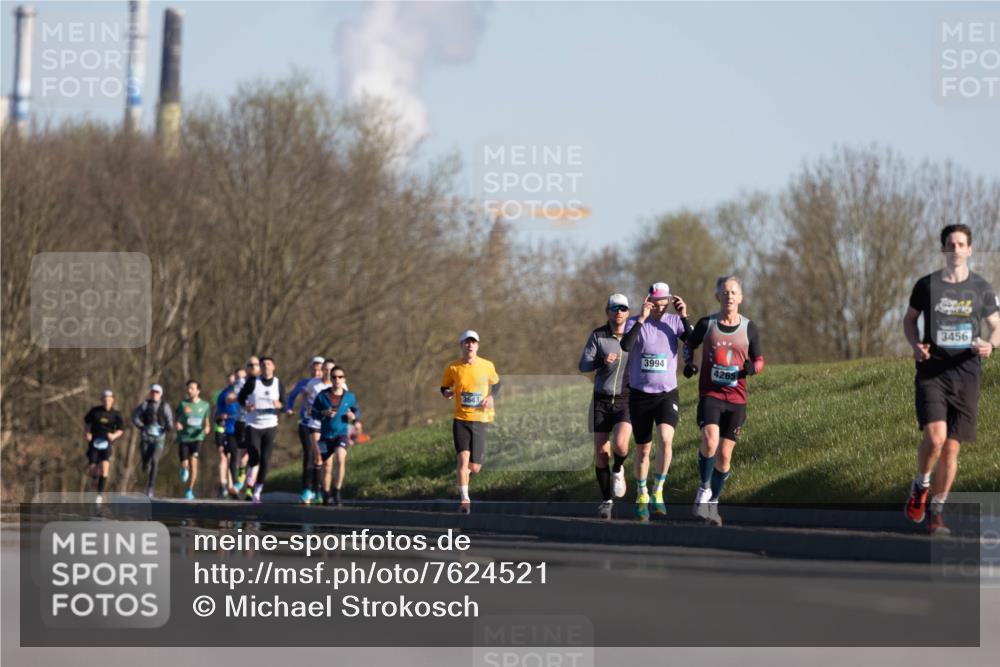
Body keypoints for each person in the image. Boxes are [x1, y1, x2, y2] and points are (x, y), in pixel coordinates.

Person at [903, 224, 999, 535]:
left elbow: (996, 326)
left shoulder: (981, 288)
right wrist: (915, 345)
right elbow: (909, 320)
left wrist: (990, 344)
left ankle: (937, 512)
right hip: (933, 371)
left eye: (961, 244)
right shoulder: (927, 285)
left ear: (969, 250)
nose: (956, 249)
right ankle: (921, 485)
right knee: (935, 439)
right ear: (944, 250)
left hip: (967, 373)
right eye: (950, 244)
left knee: (952, 449)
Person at [683, 276, 764, 526]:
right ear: (718, 297)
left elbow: (759, 360)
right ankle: (704, 487)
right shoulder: (707, 324)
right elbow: (689, 344)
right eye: (725, 292)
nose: (729, 296)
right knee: (710, 440)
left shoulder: (749, 328)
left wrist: (753, 368)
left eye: (733, 292)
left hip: (737, 399)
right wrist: (688, 363)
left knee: (725, 456)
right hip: (711, 394)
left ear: (740, 298)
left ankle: (714, 503)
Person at [619, 283, 692, 522]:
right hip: (640, 394)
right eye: (656, 305)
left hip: (666, 393)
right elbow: (625, 345)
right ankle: (642, 494)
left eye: (664, 305)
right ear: (649, 301)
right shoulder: (636, 322)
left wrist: (684, 316)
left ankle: (658, 490)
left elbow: (692, 341)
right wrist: (641, 318)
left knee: (666, 439)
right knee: (643, 450)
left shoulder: (674, 322)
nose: (660, 310)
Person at [578, 293, 633, 519]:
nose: (619, 312)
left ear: (628, 312)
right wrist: (601, 361)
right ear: (608, 311)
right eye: (614, 308)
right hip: (601, 399)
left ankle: (618, 469)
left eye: (623, 308)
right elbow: (583, 365)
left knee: (620, 445)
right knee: (601, 454)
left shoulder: (634, 335)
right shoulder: (598, 335)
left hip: (625, 399)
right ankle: (606, 500)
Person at [440, 330, 500, 514]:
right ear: (461, 346)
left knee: (474, 467)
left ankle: (464, 475)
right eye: (467, 342)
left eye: (473, 342)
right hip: (461, 419)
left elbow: (497, 383)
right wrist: (447, 393)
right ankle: (465, 499)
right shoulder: (453, 368)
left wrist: (490, 397)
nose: (470, 345)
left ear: (478, 346)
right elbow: (444, 386)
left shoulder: (487, 365)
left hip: (481, 419)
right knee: (463, 459)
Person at [237, 356, 285, 504]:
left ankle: (257, 489)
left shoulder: (278, 383)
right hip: (253, 424)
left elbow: (284, 404)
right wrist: (246, 406)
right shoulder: (253, 382)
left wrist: (280, 405)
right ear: (260, 368)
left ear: (273, 367)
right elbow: (241, 398)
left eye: (268, 364)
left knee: (265, 459)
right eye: (263, 364)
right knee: (254, 456)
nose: (265, 366)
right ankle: (250, 485)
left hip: (270, 425)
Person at [311, 365, 361, 506]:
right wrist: (323, 413)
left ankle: (337, 491)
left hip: (341, 434)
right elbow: (313, 412)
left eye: (340, 377)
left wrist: (353, 416)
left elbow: (357, 412)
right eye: (334, 377)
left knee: (340, 459)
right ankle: (326, 493)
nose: (337, 379)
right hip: (325, 436)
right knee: (326, 466)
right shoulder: (322, 395)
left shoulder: (349, 396)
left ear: (344, 379)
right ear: (330, 379)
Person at [285, 356, 326, 504]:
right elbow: (291, 396)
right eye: (314, 369)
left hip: (324, 425)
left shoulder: (328, 385)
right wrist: (289, 408)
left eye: (319, 369)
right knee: (309, 454)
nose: (316, 372)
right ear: (310, 369)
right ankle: (307, 490)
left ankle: (318, 490)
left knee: (321, 457)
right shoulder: (305, 383)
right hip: (306, 424)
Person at [83, 389, 125, 503]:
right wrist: (88, 433)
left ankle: (99, 495)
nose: (107, 402)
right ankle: (94, 482)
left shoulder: (116, 414)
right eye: (105, 400)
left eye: (109, 400)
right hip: (94, 442)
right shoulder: (95, 411)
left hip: (107, 443)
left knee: (105, 467)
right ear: (102, 400)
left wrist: (114, 435)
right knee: (93, 468)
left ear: (112, 400)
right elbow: (87, 423)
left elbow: (121, 429)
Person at [132, 384, 174, 498]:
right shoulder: (145, 405)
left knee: (155, 460)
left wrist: (168, 427)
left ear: (161, 394)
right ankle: (145, 463)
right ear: (150, 393)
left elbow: (170, 420)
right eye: (153, 392)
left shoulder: (165, 406)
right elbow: (135, 416)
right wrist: (141, 426)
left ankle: (150, 487)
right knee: (145, 457)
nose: (155, 394)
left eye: (157, 392)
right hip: (146, 437)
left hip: (159, 438)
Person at [175, 380, 212, 500]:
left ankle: (189, 490)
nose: (189, 390)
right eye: (188, 388)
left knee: (193, 461)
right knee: (185, 463)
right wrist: (178, 424)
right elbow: (177, 418)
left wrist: (207, 427)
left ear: (198, 390)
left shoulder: (205, 405)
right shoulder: (183, 404)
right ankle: (183, 468)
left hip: (197, 437)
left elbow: (206, 419)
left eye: (192, 388)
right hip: (184, 437)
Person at [213, 371, 242, 499]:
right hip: (222, 428)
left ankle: (231, 485)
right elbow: (217, 411)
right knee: (223, 455)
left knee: (232, 456)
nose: (231, 382)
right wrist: (221, 416)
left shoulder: (242, 392)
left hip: (236, 427)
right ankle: (223, 484)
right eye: (229, 380)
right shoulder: (222, 394)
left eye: (233, 380)